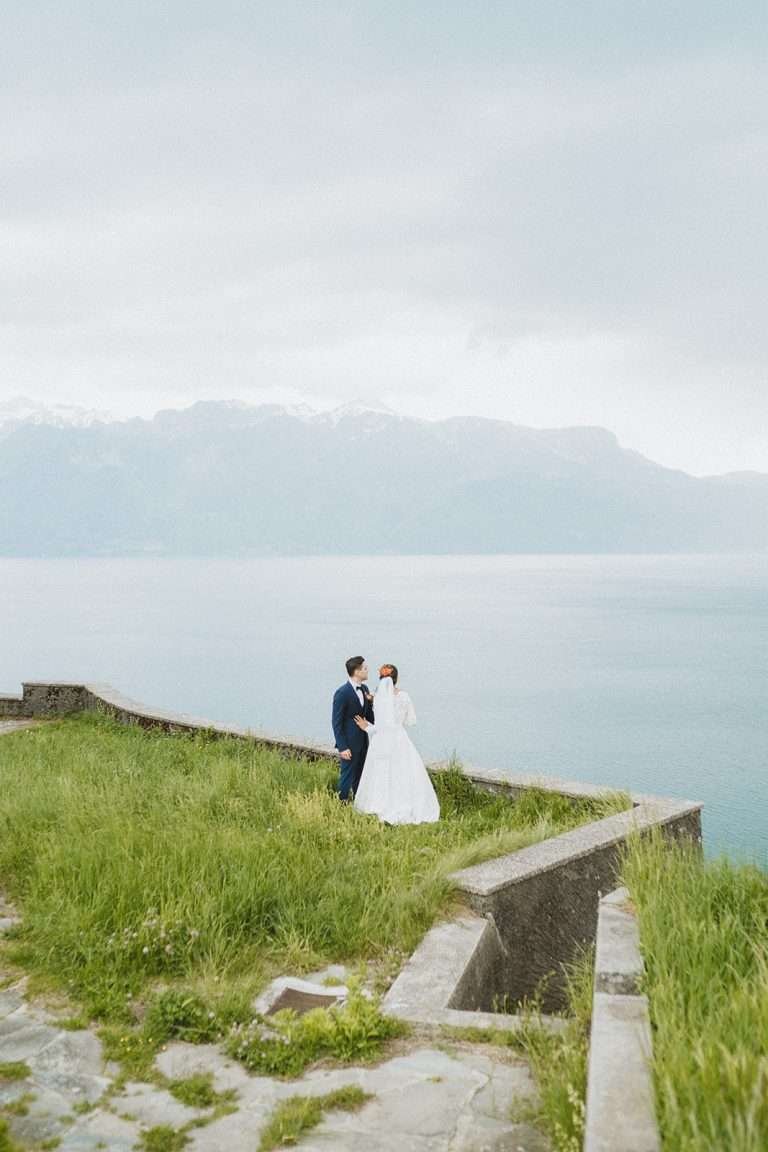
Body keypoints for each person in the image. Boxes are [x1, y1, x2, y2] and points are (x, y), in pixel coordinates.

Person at [352, 664, 440, 825]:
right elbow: (411, 720)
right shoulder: (404, 696)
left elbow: (381, 724)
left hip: (381, 741)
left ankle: (381, 803)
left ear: (381, 679)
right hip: (399, 739)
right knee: (403, 772)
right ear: (396, 679)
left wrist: (368, 727)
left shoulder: (379, 697)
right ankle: (405, 803)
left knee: (381, 772)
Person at [331, 656, 375, 801]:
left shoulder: (365, 689)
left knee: (361, 775)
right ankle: (341, 804)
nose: (367, 670)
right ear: (356, 671)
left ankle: (359, 803)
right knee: (347, 775)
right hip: (349, 743)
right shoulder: (342, 693)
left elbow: (369, 717)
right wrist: (342, 747)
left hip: (363, 741)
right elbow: (336, 722)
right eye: (364, 668)